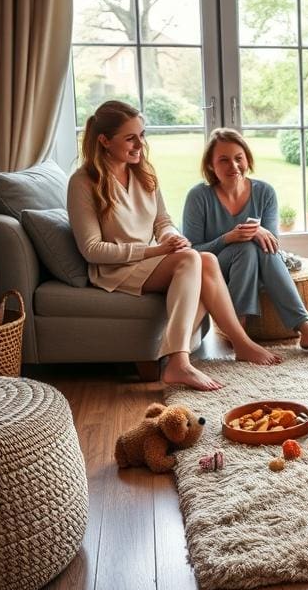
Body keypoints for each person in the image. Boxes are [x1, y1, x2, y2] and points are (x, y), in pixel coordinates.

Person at [68, 101, 281, 391]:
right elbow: (92, 249)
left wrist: (170, 237)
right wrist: (155, 251)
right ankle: (180, 361)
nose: (139, 144)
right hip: (114, 269)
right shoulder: (83, 182)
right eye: (130, 138)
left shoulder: (142, 172)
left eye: (142, 135)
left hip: (147, 262)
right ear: (104, 141)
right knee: (192, 260)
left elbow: (162, 221)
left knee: (204, 259)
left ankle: (238, 345)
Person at [182, 128, 308, 362]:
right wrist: (227, 238)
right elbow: (192, 252)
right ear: (211, 166)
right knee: (245, 246)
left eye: (238, 158)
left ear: (247, 159)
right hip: (214, 270)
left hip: (259, 262)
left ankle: (302, 330)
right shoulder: (199, 197)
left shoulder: (264, 192)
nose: (233, 166)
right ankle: (290, 331)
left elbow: (271, 243)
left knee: (258, 247)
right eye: (223, 160)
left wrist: (257, 231)